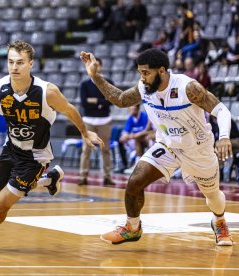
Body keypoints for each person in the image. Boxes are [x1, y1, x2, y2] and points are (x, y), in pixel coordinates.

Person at [0, 41, 104, 252]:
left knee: (0, 208)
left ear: (30, 64)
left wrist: (85, 132)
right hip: (11, 149)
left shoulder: (47, 92)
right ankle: (49, 179)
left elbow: (70, 110)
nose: (14, 67)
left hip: (35, 157)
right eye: (10, 62)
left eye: (20, 62)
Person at [80, 48, 233, 246]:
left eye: (146, 73)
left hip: (198, 149)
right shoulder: (144, 88)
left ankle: (219, 221)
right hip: (168, 146)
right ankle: (132, 228)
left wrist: (223, 137)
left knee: (213, 196)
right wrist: (95, 76)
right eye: (140, 73)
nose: (142, 78)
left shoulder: (188, 87)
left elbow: (221, 110)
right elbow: (120, 99)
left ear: (161, 71)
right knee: (135, 181)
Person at [79, 57, 115, 186]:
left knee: (105, 149)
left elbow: (111, 100)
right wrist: (101, 102)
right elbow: (84, 103)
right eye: (94, 65)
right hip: (88, 120)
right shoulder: (84, 84)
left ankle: (107, 177)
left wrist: (94, 101)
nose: (96, 67)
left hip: (105, 120)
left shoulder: (108, 82)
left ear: (101, 66)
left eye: (98, 65)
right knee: (86, 149)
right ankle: (83, 176)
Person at [119, 105, 151, 174]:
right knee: (121, 141)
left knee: (140, 139)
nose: (130, 110)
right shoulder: (130, 118)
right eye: (129, 108)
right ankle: (126, 165)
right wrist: (125, 136)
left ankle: (142, 164)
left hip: (146, 139)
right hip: (134, 139)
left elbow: (145, 132)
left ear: (137, 108)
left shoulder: (144, 116)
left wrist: (133, 136)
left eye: (132, 108)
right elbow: (125, 133)